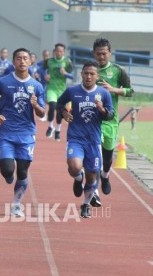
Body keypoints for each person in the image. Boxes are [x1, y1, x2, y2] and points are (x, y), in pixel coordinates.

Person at [0, 48, 46, 217]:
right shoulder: (3, 82)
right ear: (14, 62)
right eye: (18, 58)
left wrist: (35, 106)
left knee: (23, 172)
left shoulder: (36, 86)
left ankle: (16, 204)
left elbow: (42, 113)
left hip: (27, 134)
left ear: (30, 61)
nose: (22, 61)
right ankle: (8, 175)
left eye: (25, 58)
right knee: (7, 169)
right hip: (7, 132)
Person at [57, 61, 114, 218]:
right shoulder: (72, 91)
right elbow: (59, 103)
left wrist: (103, 110)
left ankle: (86, 204)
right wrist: (63, 112)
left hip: (93, 141)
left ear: (97, 76)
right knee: (75, 166)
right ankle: (77, 178)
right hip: (75, 138)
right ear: (81, 74)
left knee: (92, 175)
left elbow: (110, 115)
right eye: (86, 73)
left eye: (92, 74)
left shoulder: (104, 93)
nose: (88, 76)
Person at [90, 37, 134, 207]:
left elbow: (131, 91)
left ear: (110, 53)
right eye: (98, 54)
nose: (101, 57)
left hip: (111, 121)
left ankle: (105, 175)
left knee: (107, 160)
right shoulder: (90, 70)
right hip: (93, 122)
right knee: (95, 156)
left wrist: (114, 89)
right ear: (94, 54)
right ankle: (94, 191)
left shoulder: (118, 71)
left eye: (104, 54)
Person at [44, 43, 73, 141]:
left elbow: (73, 75)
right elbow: (41, 69)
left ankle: (58, 130)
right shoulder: (49, 61)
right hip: (51, 88)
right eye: (57, 51)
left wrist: (66, 73)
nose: (59, 53)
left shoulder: (67, 61)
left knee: (60, 110)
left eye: (61, 51)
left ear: (64, 52)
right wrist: (45, 76)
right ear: (54, 51)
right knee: (52, 107)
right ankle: (50, 126)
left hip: (62, 90)